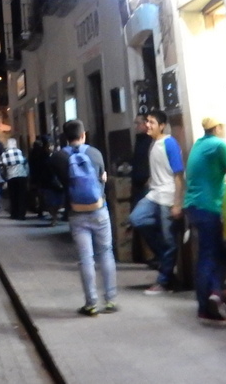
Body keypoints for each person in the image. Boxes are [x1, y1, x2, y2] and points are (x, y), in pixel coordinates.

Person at [50, 119, 118, 316]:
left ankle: (91, 304)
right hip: (99, 210)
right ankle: (111, 300)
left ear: (65, 137)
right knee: (106, 252)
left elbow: (56, 182)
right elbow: (101, 178)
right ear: (83, 135)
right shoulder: (95, 153)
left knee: (85, 258)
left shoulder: (58, 157)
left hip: (76, 212)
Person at [184, 117, 226, 325]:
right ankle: (208, 305)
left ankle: (214, 295)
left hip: (193, 206)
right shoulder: (220, 145)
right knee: (212, 255)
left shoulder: (198, 145)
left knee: (211, 253)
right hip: (209, 208)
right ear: (217, 128)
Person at [130, 109, 185, 294]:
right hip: (154, 194)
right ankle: (164, 257)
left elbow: (178, 175)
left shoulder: (169, 143)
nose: (148, 125)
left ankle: (164, 280)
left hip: (168, 196)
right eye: (147, 122)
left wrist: (177, 203)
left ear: (162, 125)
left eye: (152, 122)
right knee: (136, 218)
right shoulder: (152, 143)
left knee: (169, 239)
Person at [0, 137, 29, 220]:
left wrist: (4, 177)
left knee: (13, 196)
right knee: (21, 196)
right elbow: (23, 161)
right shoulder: (19, 151)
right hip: (22, 175)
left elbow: (3, 164)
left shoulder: (4, 154)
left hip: (11, 176)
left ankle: (14, 213)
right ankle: (22, 214)